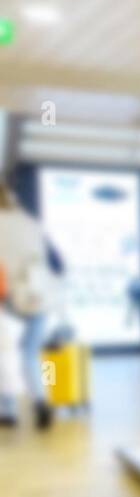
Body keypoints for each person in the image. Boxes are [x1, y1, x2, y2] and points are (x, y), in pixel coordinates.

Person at [0, 182, 59, 429]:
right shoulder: (31, 222)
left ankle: (8, 409)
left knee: (4, 354)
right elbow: (55, 262)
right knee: (30, 353)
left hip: (7, 296)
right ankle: (41, 400)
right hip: (38, 295)